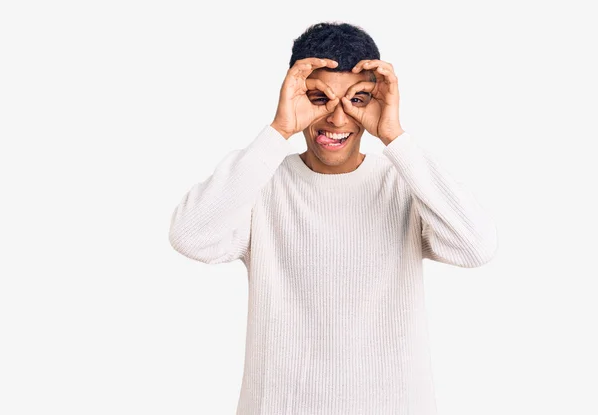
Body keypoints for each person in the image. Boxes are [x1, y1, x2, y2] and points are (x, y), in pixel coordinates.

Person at [169, 21, 497, 415]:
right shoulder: (261, 183)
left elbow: (475, 247)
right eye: (318, 97)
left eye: (358, 99)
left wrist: (395, 137)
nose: (337, 119)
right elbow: (190, 236)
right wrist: (278, 130)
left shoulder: (405, 183)